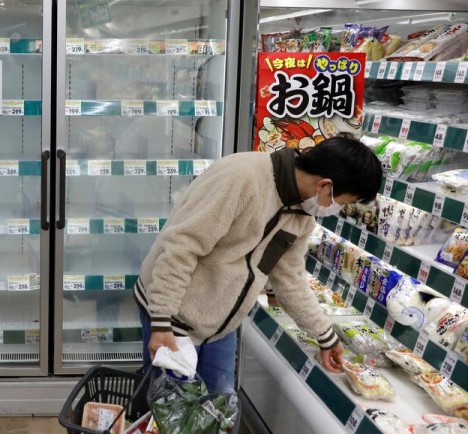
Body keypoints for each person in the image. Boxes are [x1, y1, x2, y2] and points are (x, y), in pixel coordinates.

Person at [135, 134, 383, 391]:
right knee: (168, 413)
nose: (337, 209)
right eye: (343, 203)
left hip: (220, 325)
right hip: (174, 316)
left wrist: (325, 336)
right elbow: (182, 246)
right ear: (325, 186)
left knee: (218, 411)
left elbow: (290, 278)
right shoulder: (241, 177)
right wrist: (161, 319)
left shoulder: (303, 216)